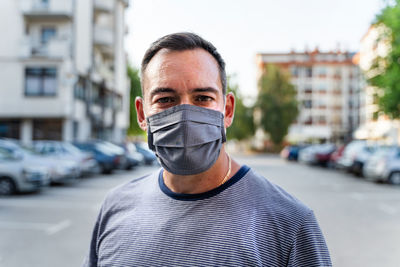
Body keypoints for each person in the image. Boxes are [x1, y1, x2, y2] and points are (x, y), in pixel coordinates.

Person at [83, 32, 332, 267]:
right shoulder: (115, 206)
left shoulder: (290, 224)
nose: (184, 115)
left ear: (228, 110)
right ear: (141, 113)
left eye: (202, 98)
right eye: (165, 100)